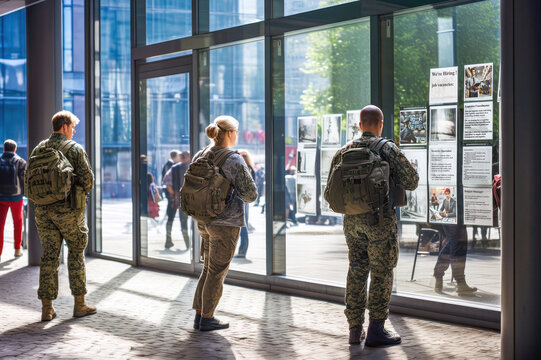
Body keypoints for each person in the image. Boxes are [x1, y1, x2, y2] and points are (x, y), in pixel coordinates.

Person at [328, 105, 418, 346]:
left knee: (356, 269)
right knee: (381, 272)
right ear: (380, 124)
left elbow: (330, 191)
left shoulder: (344, 150)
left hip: (352, 223)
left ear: (360, 125)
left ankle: (354, 329)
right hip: (380, 222)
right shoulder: (387, 148)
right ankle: (377, 328)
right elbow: (412, 181)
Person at [192, 115, 257, 331]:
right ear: (229, 133)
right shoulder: (233, 159)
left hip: (203, 220)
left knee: (208, 268)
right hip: (226, 224)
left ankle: (200, 315)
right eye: (236, 131)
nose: (237, 135)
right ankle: (208, 319)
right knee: (217, 271)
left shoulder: (201, 154)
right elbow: (251, 195)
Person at [28, 110, 95, 321]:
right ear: (64, 126)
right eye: (73, 127)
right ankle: (80, 304)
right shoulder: (74, 149)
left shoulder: (39, 148)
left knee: (49, 255)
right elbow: (88, 180)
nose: (74, 132)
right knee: (75, 253)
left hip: (42, 211)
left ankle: (47, 308)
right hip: (69, 211)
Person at [0, 139, 26, 262]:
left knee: (0, 225)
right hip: (16, 197)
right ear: (15, 149)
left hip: (1, 198)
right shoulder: (20, 161)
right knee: (18, 223)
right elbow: (24, 180)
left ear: (4, 149)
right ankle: (17, 249)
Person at [434, 224, 478, 296]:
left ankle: (438, 277)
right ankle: (461, 283)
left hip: (450, 218)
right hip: (455, 218)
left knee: (452, 243)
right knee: (458, 245)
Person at [162, 151, 191, 249]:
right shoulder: (192, 168)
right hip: (186, 200)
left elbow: (167, 183)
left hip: (173, 200)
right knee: (184, 222)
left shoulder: (174, 168)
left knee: (170, 220)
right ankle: (188, 244)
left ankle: (168, 241)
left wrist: (174, 194)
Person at [235, 150, 256, 258]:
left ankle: (242, 250)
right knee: (242, 224)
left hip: (242, 199)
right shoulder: (249, 168)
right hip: (243, 199)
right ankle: (242, 250)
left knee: (243, 224)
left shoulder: (245, 169)